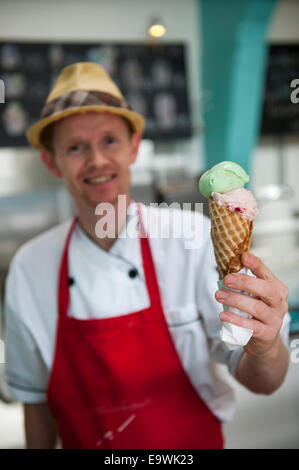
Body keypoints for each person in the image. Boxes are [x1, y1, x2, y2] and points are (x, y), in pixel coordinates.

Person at [4, 62, 290, 449]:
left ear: (134, 147)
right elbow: (35, 403)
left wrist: (267, 346)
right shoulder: (29, 266)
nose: (97, 161)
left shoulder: (191, 236)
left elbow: (265, 381)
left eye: (110, 141)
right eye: (75, 147)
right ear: (52, 161)